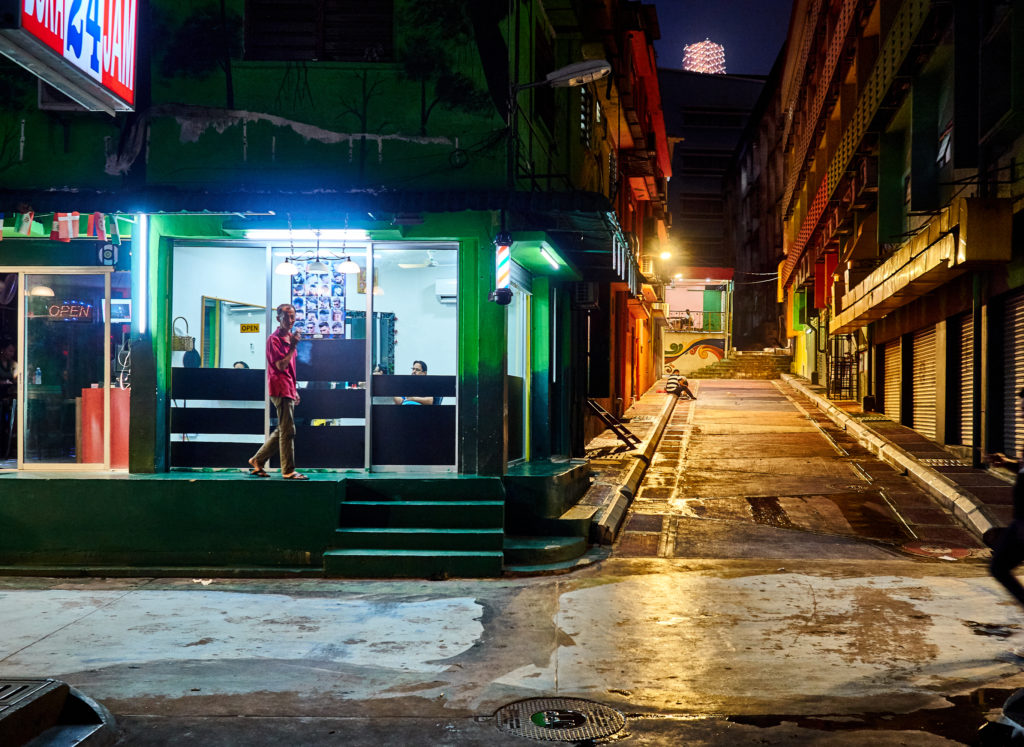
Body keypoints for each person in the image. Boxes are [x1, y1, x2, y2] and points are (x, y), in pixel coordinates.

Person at [248, 303, 307, 480]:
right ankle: (288, 470)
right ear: (278, 318)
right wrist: (293, 347)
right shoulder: (274, 340)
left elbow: (291, 369)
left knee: (283, 429)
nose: (290, 320)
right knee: (288, 431)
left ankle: (257, 460)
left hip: (287, 387)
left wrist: (294, 388)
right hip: (279, 388)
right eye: (286, 316)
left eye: (292, 316)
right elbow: (281, 365)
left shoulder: (290, 337)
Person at [987, 387, 1024, 654]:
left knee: (1000, 566)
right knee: (999, 566)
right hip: (1020, 521)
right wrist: (1007, 462)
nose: (1021, 412)